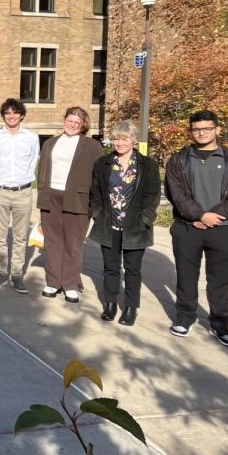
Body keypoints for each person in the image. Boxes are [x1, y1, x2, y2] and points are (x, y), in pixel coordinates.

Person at [164, 110, 228, 348]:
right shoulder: (179, 160)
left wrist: (213, 217)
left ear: (217, 130)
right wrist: (199, 215)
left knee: (219, 281)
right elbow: (176, 194)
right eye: (196, 129)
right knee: (186, 278)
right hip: (187, 227)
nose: (201, 133)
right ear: (191, 131)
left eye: (206, 128)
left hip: (223, 230)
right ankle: (184, 318)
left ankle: (220, 325)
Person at [89, 121, 161, 327]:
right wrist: (97, 213)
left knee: (133, 270)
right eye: (116, 138)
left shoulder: (147, 165)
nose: (119, 143)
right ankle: (110, 304)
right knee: (110, 268)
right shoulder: (103, 164)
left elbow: (152, 195)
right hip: (109, 224)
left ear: (133, 140)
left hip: (135, 226)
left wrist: (146, 218)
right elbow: (95, 192)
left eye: (124, 138)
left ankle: (130, 307)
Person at [37, 107, 105, 303]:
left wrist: (95, 204)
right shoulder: (50, 143)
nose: (73, 125)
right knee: (52, 242)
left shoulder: (91, 145)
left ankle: (70, 284)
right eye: (70, 120)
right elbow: (42, 170)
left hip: (78, 199)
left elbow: (99, 176)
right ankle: (53, 282)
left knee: (73, 244)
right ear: (64, 120)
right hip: (51, 197)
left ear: (83, 125)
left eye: (77, 122)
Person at [0, 98, 40, 294]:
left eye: (15, 112)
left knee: (20, 236)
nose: (11, 116)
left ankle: (17, 274)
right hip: (0, 191)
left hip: (23, 192)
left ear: (21, 115)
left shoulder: (32, 137)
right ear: (3, 116)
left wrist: (24, 181)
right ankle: (1, 271)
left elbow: (34, 161)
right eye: (7, 113)